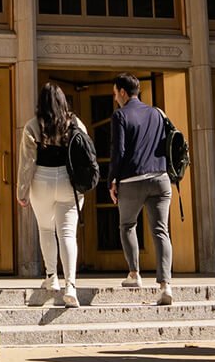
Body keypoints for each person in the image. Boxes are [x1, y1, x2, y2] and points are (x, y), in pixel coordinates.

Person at [16, 82, 93, 307]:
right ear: (63, 101)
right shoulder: (75, 122)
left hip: (42, 181)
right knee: (68, 234)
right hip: (70, 182)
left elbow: (27, 163)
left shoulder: (33, 126)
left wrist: (22, 191)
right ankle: (71, 285)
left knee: (46, 229)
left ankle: (52, 278)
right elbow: (86, 152)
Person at [107, 73, 176, 305]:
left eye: (115, 92)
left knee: (127, 225)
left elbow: (119, 151)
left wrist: (111, 181)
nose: (115, 97)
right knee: (161, 231)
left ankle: (134, 274)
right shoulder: (158, 113)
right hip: (160, 178)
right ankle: (166, 285)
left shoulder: (120, 115)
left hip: (132, 180)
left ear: (123, 93)